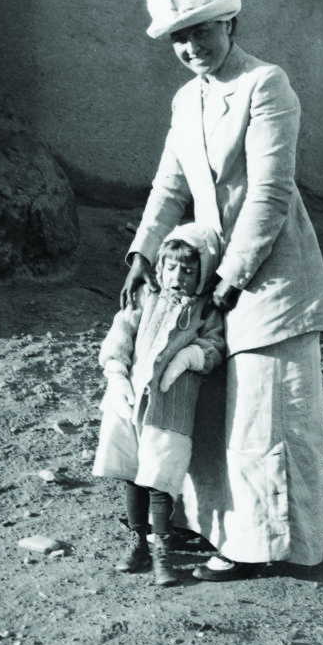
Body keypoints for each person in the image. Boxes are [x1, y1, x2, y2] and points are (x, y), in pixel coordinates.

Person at [122, 0, 323, 582]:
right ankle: (208, 530)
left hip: (269, 277)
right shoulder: (187, 101)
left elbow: (270, 197)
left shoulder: (267, 86)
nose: (192, 48)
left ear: (230, 27)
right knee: (204, 414)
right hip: (208, 277)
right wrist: (142, 252)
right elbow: (169, 185)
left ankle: (264, 547)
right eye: (180, 38)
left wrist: (226, 280)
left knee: (263, 418)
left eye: (203, 32)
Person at [92, 223, 225, 586]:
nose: (177, 276)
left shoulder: (205, 309)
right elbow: (121, 333)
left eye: (188, 269)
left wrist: (189, 357)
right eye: (170, 267)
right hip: (132, 400)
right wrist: (117, 374)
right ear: (160, 267)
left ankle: (161, 551)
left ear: (203, 272)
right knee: (133, 472)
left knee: (160, 478)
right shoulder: (146, 299)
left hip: (172, 405)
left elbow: (215, 346)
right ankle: (138, 542)